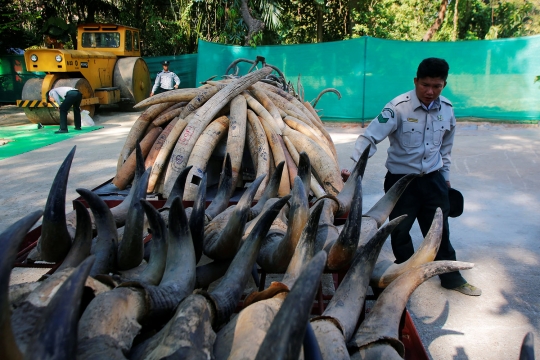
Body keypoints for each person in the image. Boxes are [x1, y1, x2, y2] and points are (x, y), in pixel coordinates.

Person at [342, 58, 481, 296]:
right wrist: (355, 169)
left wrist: (445, 178)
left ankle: (451, 278)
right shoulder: (397, 108)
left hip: (434, 180)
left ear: (444, 85)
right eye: (425, 85)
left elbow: (445, 148)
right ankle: (405, 277)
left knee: (439, 230)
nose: (430, 91)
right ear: (416, 81)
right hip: (400, 182)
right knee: (400, 231)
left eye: (437, 86)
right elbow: (369, 138)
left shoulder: (446, 109)